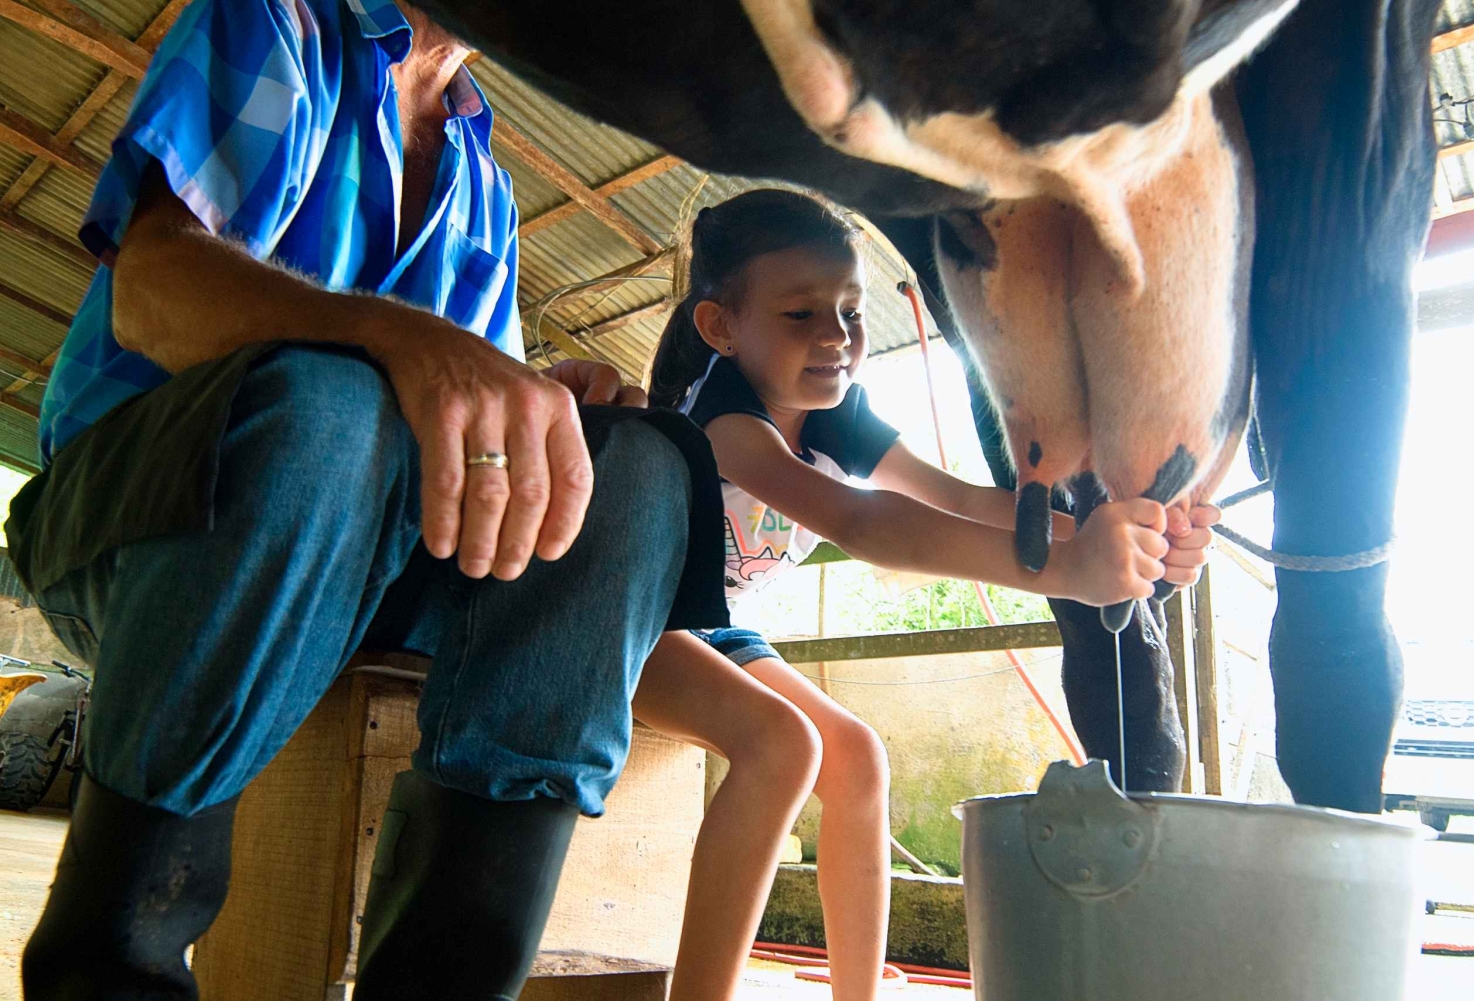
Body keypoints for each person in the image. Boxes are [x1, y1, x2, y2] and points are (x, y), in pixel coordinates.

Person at [8, 1, 728, 998]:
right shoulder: (278, 26)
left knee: (635, 476)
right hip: (145, 516)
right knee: (326, 404)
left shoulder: (484, 179)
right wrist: (396, 339)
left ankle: (446, 977)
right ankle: (111, 956)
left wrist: (546, 404)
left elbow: (474, 432)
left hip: (369, 550)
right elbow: (152, 288)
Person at [633, 189, 1217, 1001]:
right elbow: (865, 523)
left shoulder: (837, 413)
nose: (836, 337)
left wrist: (1113, 536)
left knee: (858, 757)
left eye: (849, 309)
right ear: (721, 328)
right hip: (634, 621)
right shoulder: (725, 424)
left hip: (719, 633)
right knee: (787, 746)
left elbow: (964, 500)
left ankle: (857, 993)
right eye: (801, 314)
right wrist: (1068, 572)